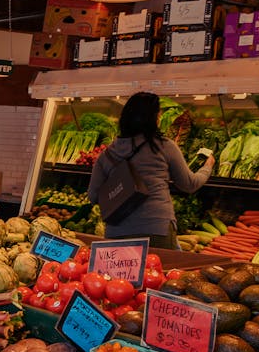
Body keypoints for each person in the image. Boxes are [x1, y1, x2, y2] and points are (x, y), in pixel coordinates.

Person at [88, 92, 215, 250]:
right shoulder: (164, 146)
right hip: (156, 229)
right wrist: (207, 167)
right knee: (160, 273)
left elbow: (93, 196)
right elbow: (189, 184)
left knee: (121, 275)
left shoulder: (107, 154)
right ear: (154, 118)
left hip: (117, 232)